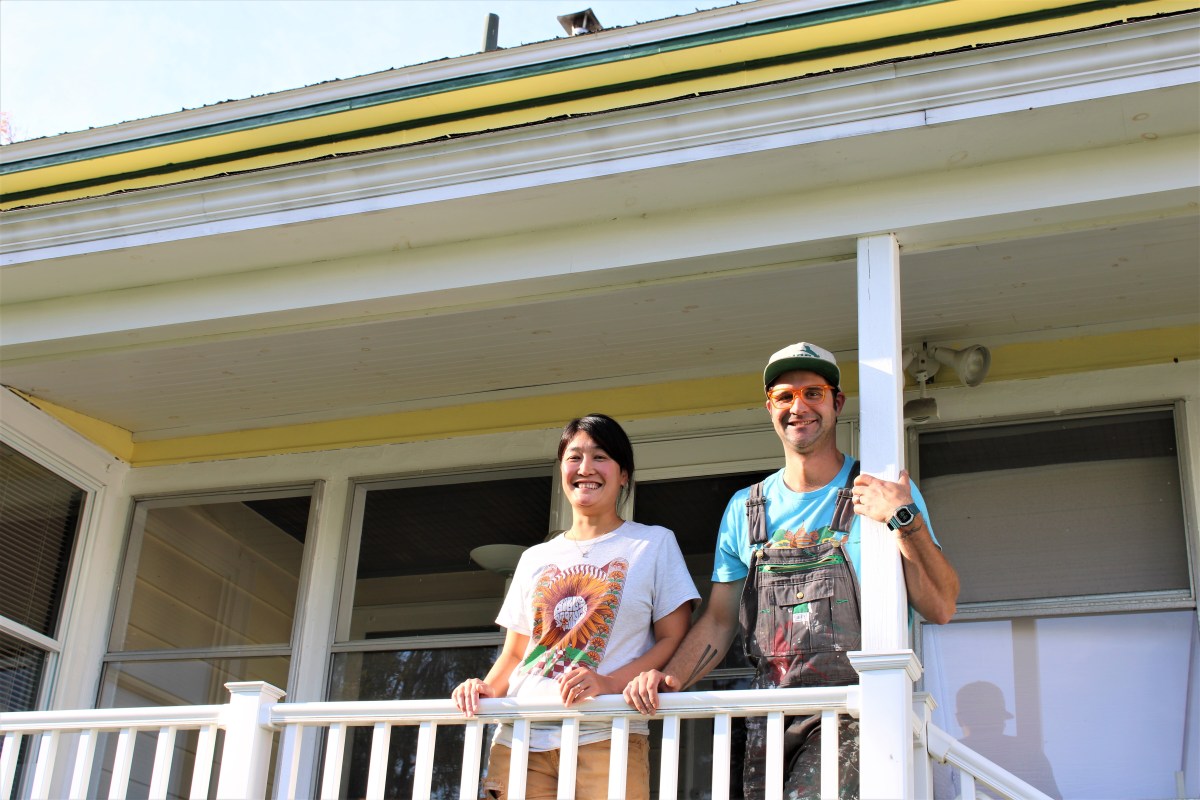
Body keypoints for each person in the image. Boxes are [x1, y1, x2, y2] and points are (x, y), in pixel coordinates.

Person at [623, 342, 960, 799]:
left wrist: (903, 518)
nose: (798, 406)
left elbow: (940, 605)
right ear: (770, 408)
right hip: (769, 716)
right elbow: (720, 622)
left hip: (854, 714)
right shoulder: (745, 509)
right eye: (784, 396)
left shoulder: (880, 494)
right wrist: (673, 677)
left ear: (837, 403)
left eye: (813, 393)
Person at [452, 413, 700, 800]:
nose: (586, 468)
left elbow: (673, 639)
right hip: (519, 740)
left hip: (608, 735)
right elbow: (517, 652)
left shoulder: (652, 544)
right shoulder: (535, 558)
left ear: (623, 475)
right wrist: (485, 687)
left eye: (600, 457)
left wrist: (608, 684)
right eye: (574, 457)